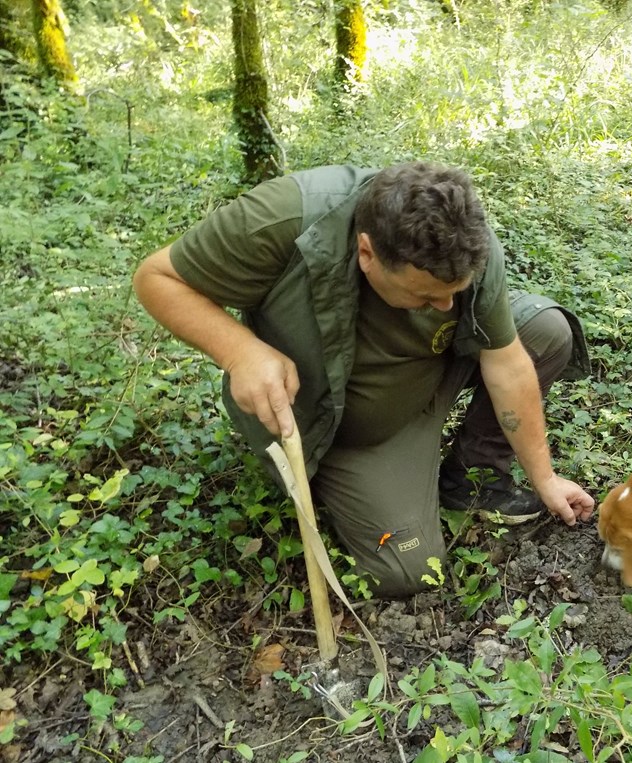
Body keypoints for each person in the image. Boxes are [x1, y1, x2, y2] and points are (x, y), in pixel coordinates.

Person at [133, 161, 595, 596]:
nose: (444, 309)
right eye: (426, 296)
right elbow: (156, 278)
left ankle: (470, 476)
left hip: (430, 372)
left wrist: (546, 478)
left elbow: (507, 363)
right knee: (408, 568)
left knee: (545, 332)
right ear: (367, 252)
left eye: (452, 295)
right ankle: (382, 471)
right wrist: (240, 353)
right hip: (343, 424)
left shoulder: (464, 241)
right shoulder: (282, 218)